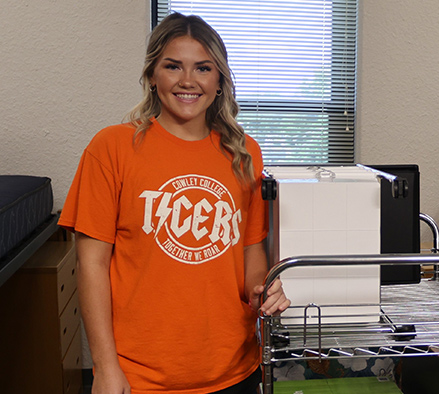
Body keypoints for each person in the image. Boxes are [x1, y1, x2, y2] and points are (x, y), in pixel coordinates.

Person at [58, 12, 290, 394]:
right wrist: (104, 367)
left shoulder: (245, 153)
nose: (187, 81)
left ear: (219, 81)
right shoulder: (111, 148)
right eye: (172, 67)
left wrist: (261, 290)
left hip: (234, 369)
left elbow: (250, 250)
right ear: (152, 76)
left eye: (203, 68)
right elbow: (91, 264)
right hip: (139, 377)